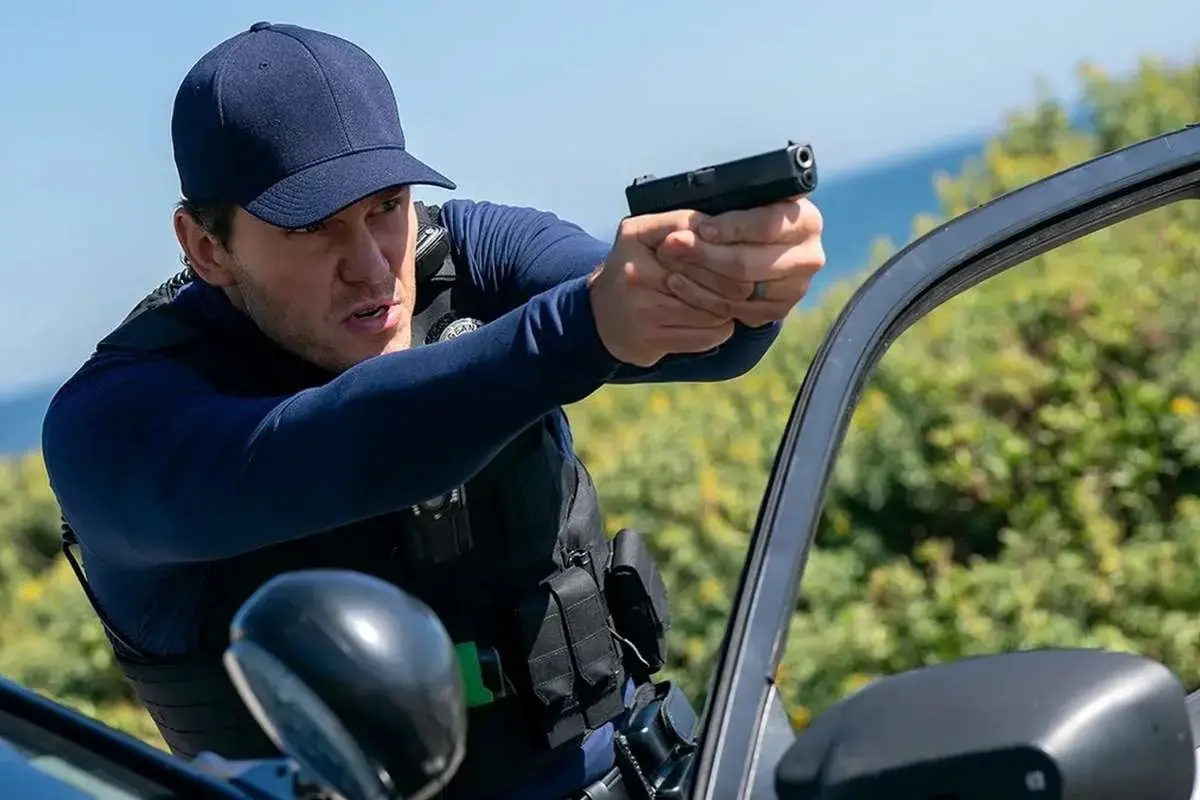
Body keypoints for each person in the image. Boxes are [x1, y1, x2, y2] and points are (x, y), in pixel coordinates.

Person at [40, 21, 824, 800]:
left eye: (386, 205)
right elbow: (332, 450)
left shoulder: (465, 251)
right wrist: (581, 328)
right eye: (312, 226)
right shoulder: (111, 422)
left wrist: (736, 282)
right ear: (207, 247)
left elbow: (693, 339)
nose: (372, 266)